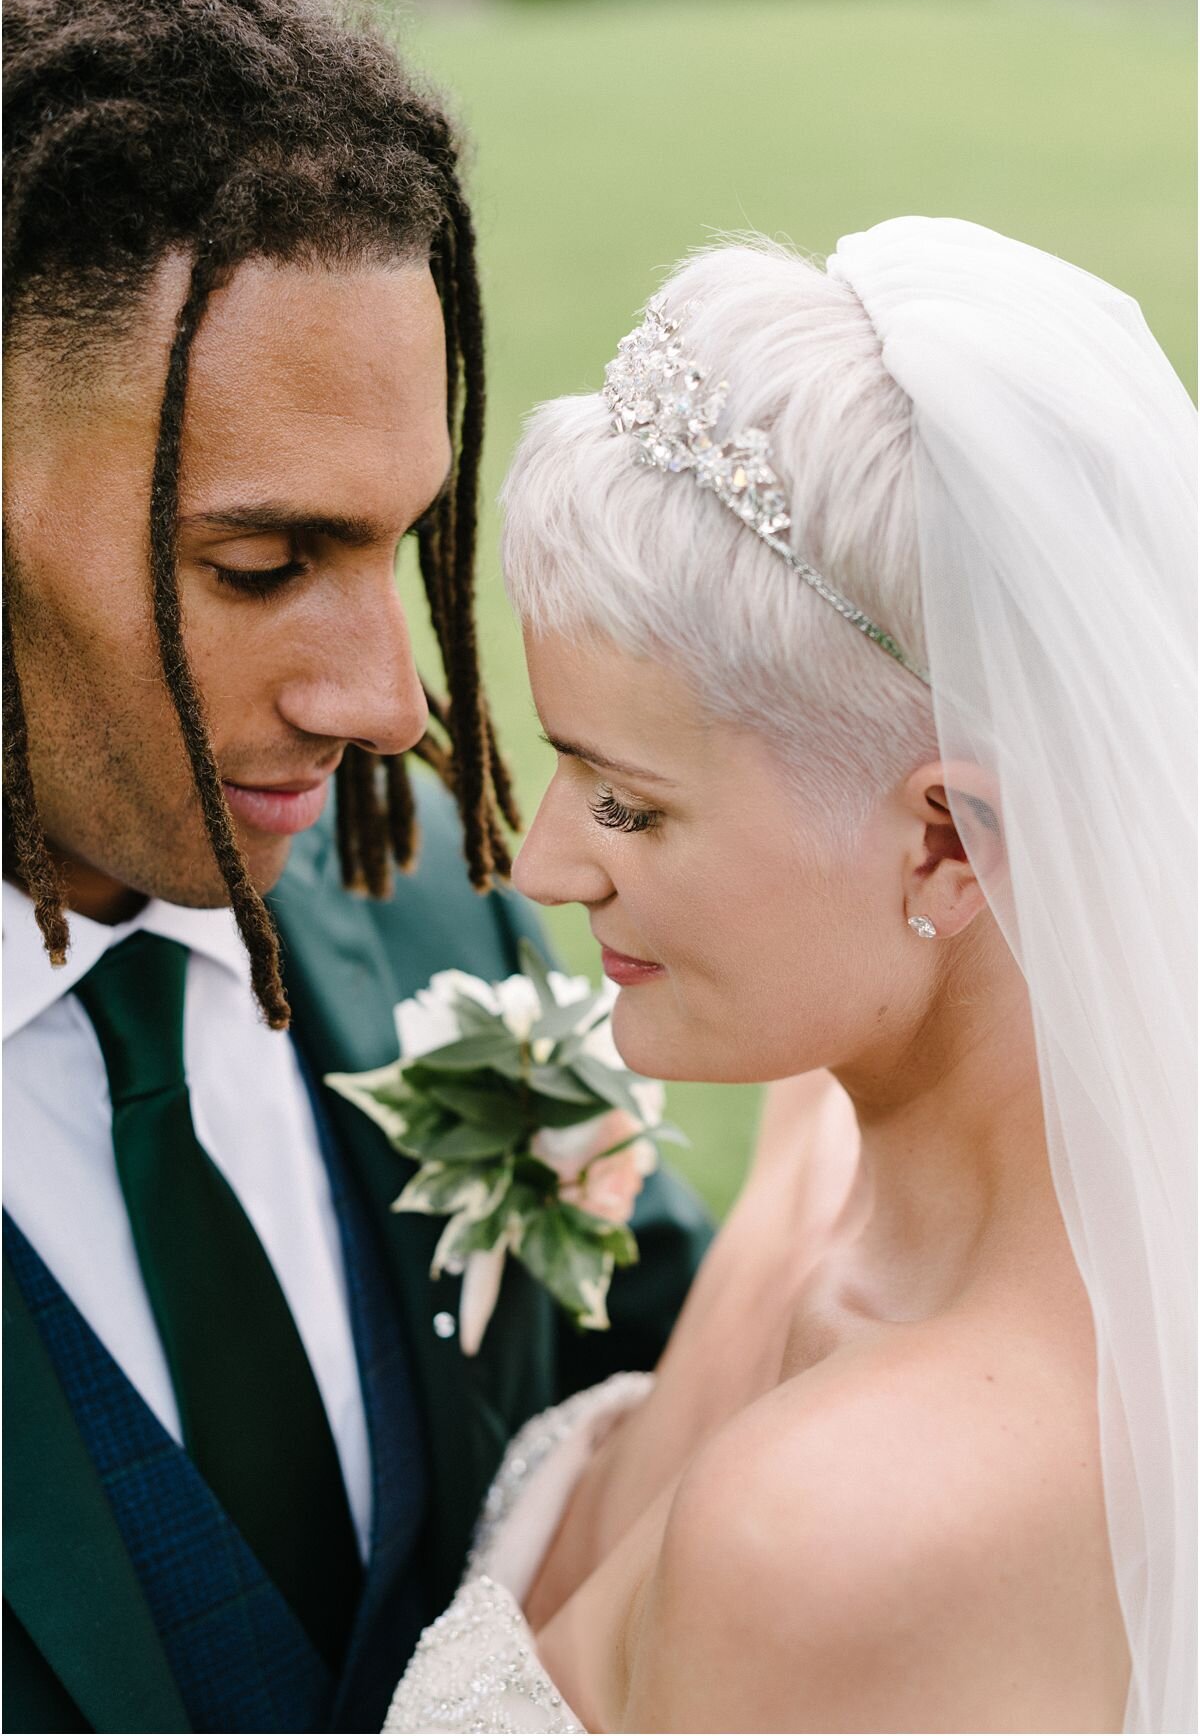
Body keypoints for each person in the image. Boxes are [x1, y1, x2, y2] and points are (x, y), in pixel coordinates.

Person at [1, 0, 711, 1732]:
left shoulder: (424, 915)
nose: (390, 704)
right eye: (261, 566)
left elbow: (677, 1345)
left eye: (399, 546)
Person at [384, 221, 1196, 1735]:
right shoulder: (844, 1180)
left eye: (627, 802)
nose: (546, 867)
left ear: (951, 845)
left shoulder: (844, 1537)